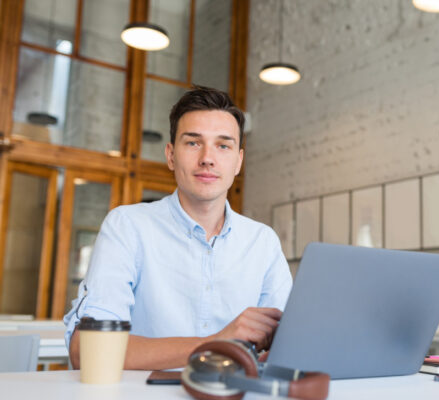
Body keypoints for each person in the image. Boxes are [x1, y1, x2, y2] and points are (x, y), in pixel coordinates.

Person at [63, 86, 292, 370]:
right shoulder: (128, 226)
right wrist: (218, 342)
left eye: (223, 145)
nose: (208, 157)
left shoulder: (263, 242)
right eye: (193, 143)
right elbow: (87, 350)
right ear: (171, 156)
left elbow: (287, 345)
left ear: (238, 162)